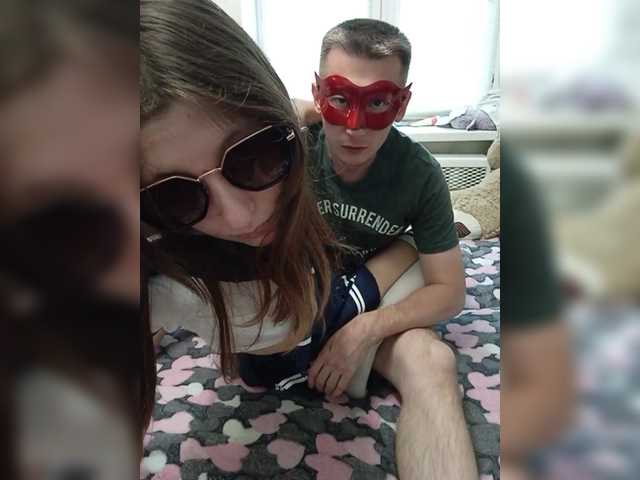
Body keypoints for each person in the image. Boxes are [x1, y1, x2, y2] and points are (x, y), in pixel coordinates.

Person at [140, 0, 416, 403]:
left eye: (256, 156)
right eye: (175, 195)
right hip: (287, 326)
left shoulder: (302, 134)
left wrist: (365, 329)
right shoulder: (157, 277)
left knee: (406, 254)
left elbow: (293, 112)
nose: (239, 218)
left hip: (327, 291)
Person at [294, 18, 478, 480]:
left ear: (402, 104)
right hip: (309, 286)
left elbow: (449, 291)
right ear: (318, 93)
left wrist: (366, 330)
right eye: (340, 99)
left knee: (432, 361)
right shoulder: (290, 149)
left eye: (377, 102)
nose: (354, 128)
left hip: (381, 288)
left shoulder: (419, 174)